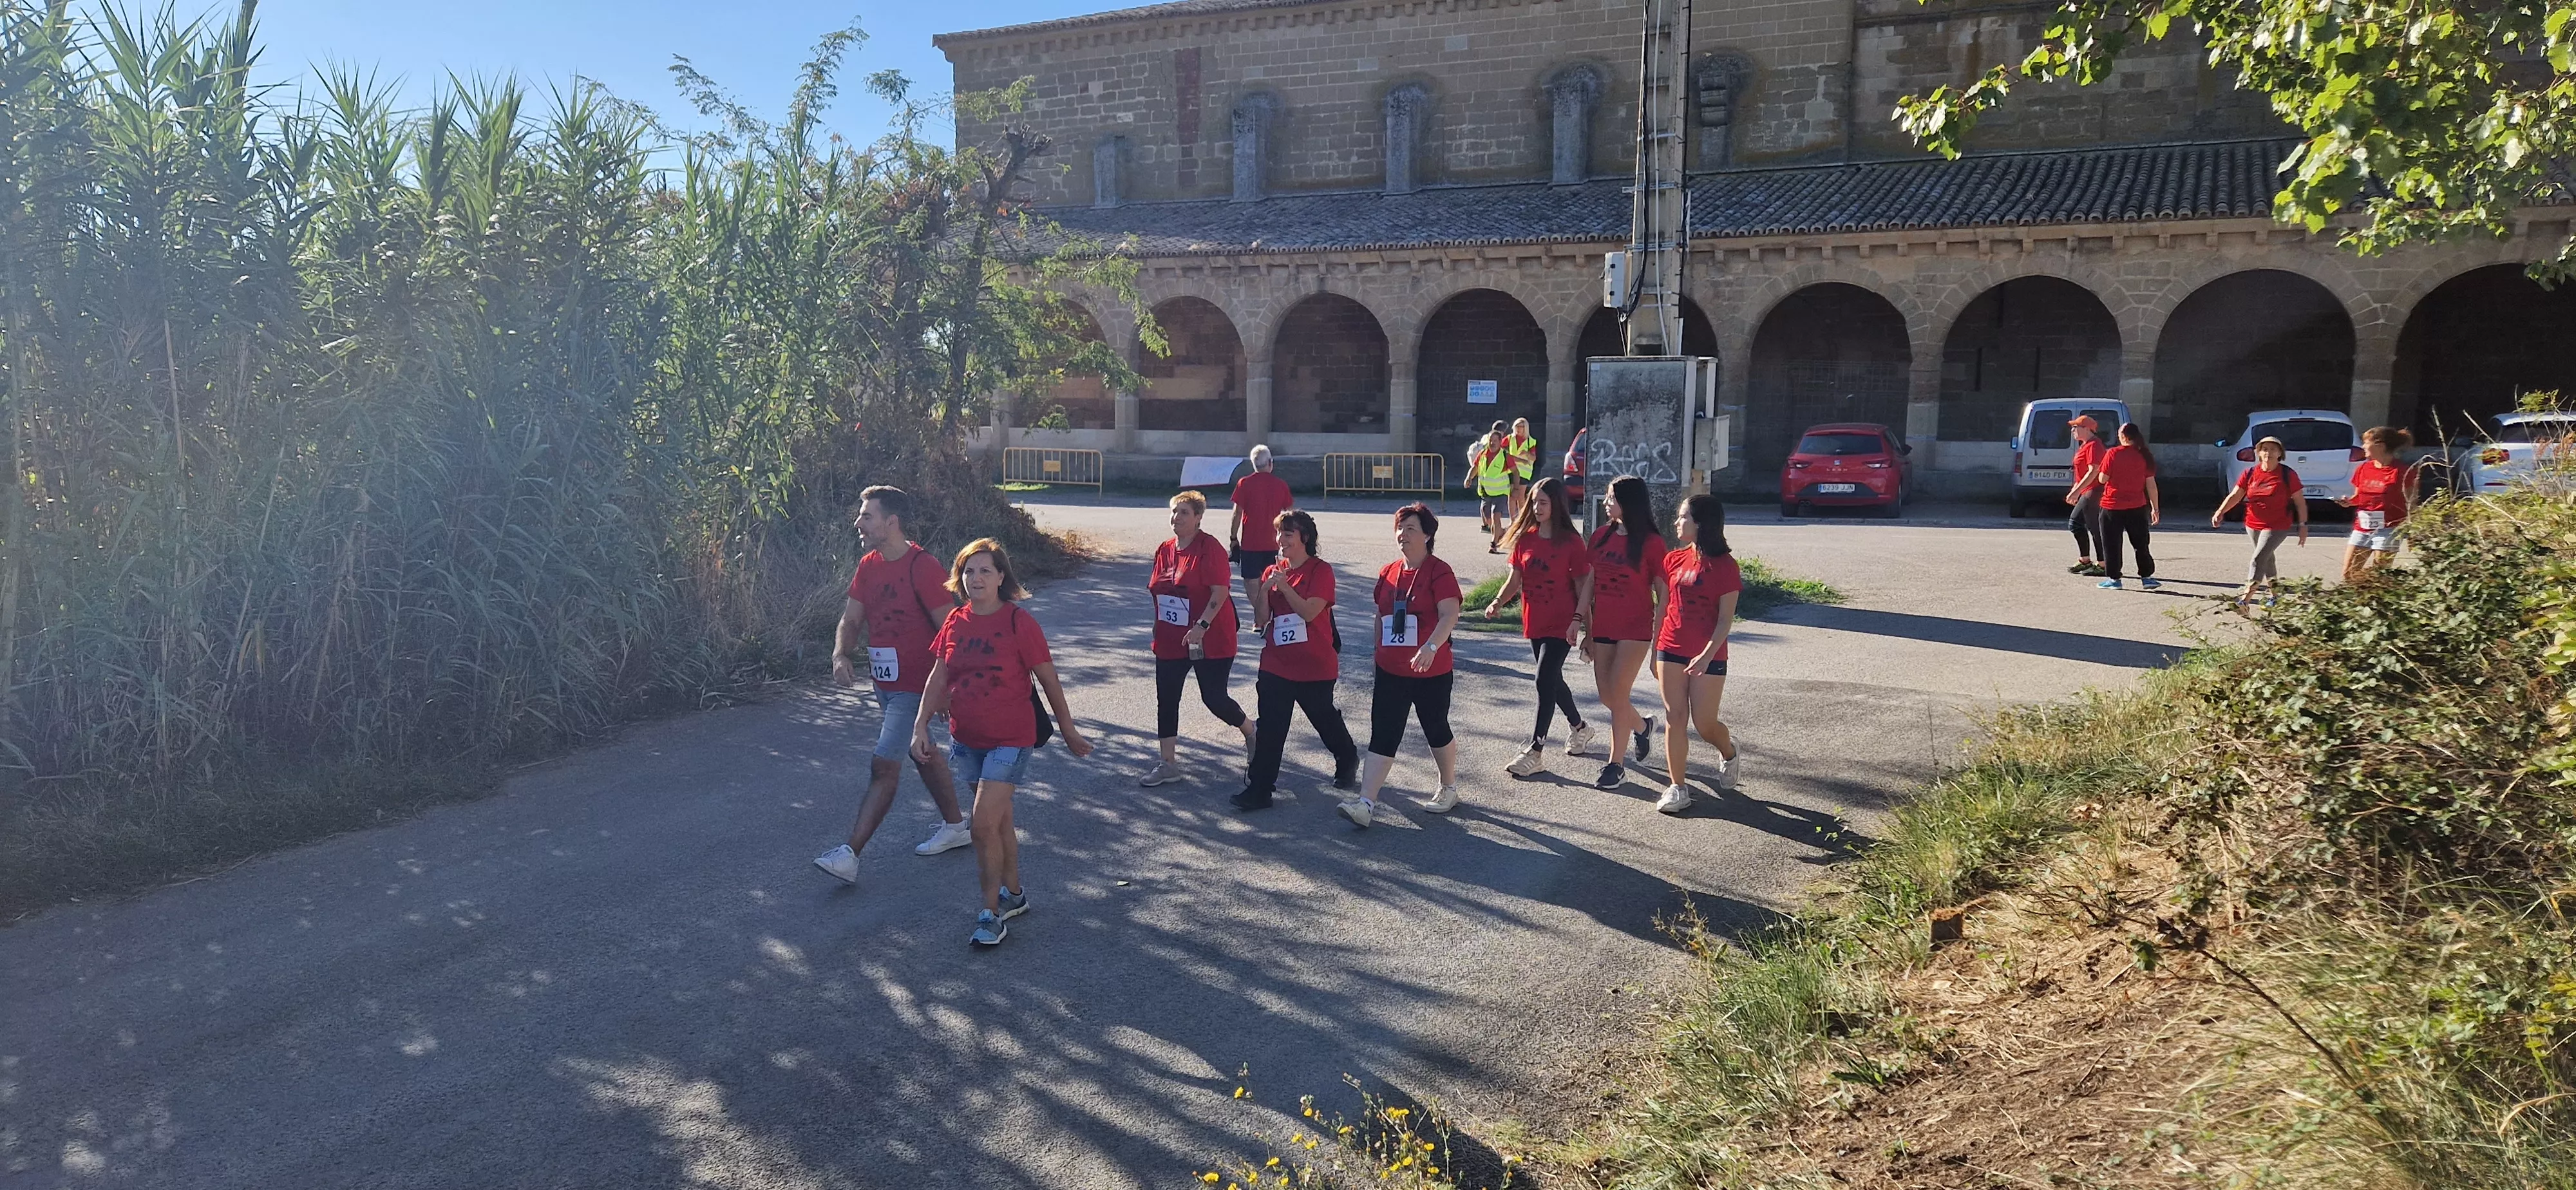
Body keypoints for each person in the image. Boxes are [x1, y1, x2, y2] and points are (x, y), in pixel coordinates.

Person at [912, 538, 1092, 947]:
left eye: (985, 571)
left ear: (1001, 578)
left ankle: (991, 913)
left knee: (982, 825)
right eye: (968, 571)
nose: (976, 579)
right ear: (959, 578)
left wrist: (1068, 730)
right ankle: (1015, 895)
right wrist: (920, 725)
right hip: (967, 738)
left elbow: (1048, 679)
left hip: (1011, 738)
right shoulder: (956, 621)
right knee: (999, 822)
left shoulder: (1018, 622)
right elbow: (939, 677)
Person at [815, 486, 972, 886]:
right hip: (884, 684)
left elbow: (951, 629)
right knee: (922, 753)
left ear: (891, 522)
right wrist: (840, 655)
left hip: (915, 687)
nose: (858, 523)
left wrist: (947, 689)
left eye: (867, 516)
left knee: (885, 763)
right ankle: (956, 826)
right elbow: (850, 621)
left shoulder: (923, 567)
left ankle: (850, 855)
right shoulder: (868, 566)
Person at [1341, 503, 1465, 827]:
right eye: (1399, 528)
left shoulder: (1440, 571)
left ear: (1427, 535)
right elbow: (1380, 616)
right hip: (1391, 669)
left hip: (1430, 669)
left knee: (1435, 728)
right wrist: (1377, 651)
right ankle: (1366, 804)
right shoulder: (1388, 572)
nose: (1403, 534)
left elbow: (1449, 614)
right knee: (1383, 733)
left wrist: (1431, 646)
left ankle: (1449, 787)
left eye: (1410, 528)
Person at [1235, 509, 1360, 811]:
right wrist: (1265, 591)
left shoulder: (1321, 571)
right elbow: (1262, 621)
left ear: (1304, 538)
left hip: (1315, 664)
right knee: (1271, 727)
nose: (1280, 540)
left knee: (1323, 719)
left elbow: (1308, 613)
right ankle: (1260, 789)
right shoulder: (1272, 571)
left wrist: (1285, 586)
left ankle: (1347, 757)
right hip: (1277, 662)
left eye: (1287, 535)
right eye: (1279, 534)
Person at [1141, 491, 1255, 786]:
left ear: (1199, 518)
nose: (1176, 518)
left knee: (1214, 698)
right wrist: (1157, 626)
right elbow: (1159, 592)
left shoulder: (1210, 548)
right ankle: (1168, 764)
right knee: (1166, 698)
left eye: (1184, 513)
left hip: (1211, 636)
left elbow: (1220, 592)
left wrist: (1201, 626)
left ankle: (1251, 731)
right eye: (1174, 512)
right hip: (1170, 638)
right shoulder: (1165, 549)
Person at [1484, 476, 1596, 777]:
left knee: (1543, 679)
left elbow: (1583, 586)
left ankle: (1535, 750)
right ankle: (1580, 728)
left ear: (1557, 505)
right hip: (1535, 620)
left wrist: (1584, 627)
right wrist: (1497, 601)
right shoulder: (1526, 539)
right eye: (1533, 502)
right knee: (1552, 680)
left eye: (1543, 502)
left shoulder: (1572, 543)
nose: (1536, 507)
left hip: (1563, 623)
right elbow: (1514, 581)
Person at [1653, 494, 1743, 815]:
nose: (1677, 523)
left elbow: (1725, 620)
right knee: (1675, 717)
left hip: (1709, 656)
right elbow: (1663, 607)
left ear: (1701, 524)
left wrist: (1706, 655)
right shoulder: (1673, 560)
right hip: (1670, 648)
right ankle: (1678, 788)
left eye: (1683, 518)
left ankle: (1729, 752)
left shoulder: (1726, 567)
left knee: (1705, 724)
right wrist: (1655, 650)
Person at [1582, 475, 1669, 791]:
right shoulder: (1601, 536)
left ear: (1628, 503)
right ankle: (1643, 726)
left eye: (1611, 498)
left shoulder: (1652, 543)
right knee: (1608, 696)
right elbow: (1590, 582)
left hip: (1635, 629)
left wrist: (1659, 642)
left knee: (1618, 694)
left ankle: (1615, 765)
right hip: (1603, 625)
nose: (1606, 503)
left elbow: (1664, 595)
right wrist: (1585, 627)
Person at [2210, 435, 2308, 609]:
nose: (2268, 453)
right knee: (2267, 559)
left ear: (2280, 454)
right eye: (2264, 449)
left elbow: (2300, 501)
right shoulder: (2250, 473)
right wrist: (2220, 511)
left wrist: (2303, 525)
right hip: (2253, 523)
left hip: (2278, 524)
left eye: (2273, 449)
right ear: (2258, 453)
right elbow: (2236, 495)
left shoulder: (2287, 474)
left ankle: (2245, 600)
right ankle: (2276, 596)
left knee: (2258, 558)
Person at [2337, 426, 2421, 582]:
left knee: (2379, 577)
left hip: (2389, 529)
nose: (2362, 447)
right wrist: (2348, 502)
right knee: (2349, 575)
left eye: (2366, 443)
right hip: (2362, 527)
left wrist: (2413, 532)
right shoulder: (2363, 468)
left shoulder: (2403, 471)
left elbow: (2412, 503)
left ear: (2380, 446)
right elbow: (2358, 497)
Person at [1227, 444, 1295, 620]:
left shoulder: (1244, 483)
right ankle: (1267, 615)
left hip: (1250, 543)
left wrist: (1233, 537)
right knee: (1272, 581)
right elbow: (1291, 514)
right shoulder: (1280, 485)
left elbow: (1237, 513)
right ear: (1270, 463)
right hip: (1274, 542)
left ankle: (1261, 615)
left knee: (1251, 582)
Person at [2093, 422, 2161, 590]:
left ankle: (2114, 579)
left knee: (2112, 543)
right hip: (2137, 506)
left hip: (2112, 505)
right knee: (2141, 543)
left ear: (2123, 436)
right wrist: (2155, 508)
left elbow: (2102, 479)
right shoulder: (2144, 456)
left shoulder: (2113, 454)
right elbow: (2151, 484)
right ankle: (2147, 577)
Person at [2062, 415, 2108, 576]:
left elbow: (2094, 470)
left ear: (2087, 429)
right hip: (2087, 491)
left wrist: (2076, 491)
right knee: (2079, 525)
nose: (2073, 430)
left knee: (2089, 526)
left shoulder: (2094, 445)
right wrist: (2075, 490)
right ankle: (2086, 560)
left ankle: (2102, 565)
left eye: (2076, 427)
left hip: (2094, 491)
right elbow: (2082, 474)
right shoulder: (2085, 445)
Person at [1468, 420, 1512, 552]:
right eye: (1491, 440)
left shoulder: (1504, 454)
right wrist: (1469, 478)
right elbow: (1475, 467)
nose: (1493, 443)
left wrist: (1514, 486)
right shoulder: (1484, 453)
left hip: (1501, 491)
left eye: (1496, 440)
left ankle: (1494, 543)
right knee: (1488, 519)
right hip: (1486, 491)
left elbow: (1514, 470)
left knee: (1495, 516)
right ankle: (1501, 532)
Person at [1503, 417, 1539, 521]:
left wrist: (1527, 454)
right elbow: (1503, 452)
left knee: (1520, 496)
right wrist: (1519, 460)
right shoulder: (1510, 439)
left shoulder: (1530, 441)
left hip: (1524, 473)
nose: (1519, 429)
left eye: (1521, 427)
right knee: (1512, 495)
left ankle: (1522, 520)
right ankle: (1513, 521)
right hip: (1511, 471)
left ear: (1526, 428)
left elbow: (1533, 458)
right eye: (1517, 426)